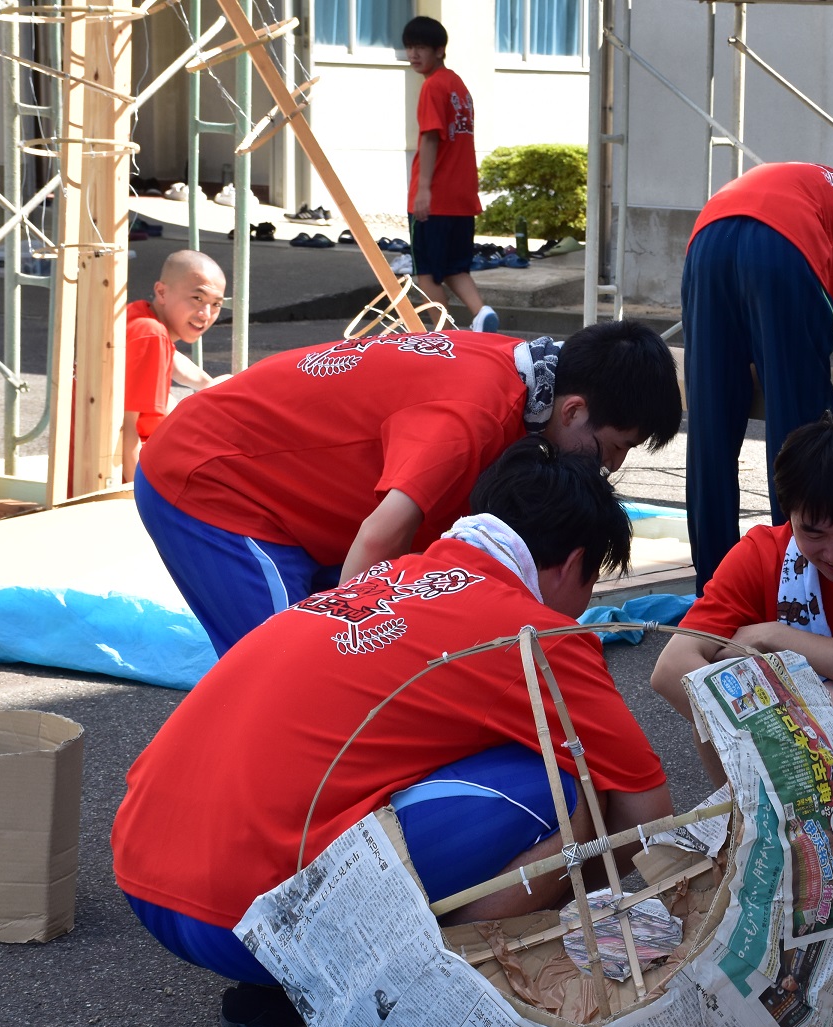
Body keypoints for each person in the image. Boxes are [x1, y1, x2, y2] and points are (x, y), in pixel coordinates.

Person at [111, 439, 672, 1027]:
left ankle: (286, 997)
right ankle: (411, 1019)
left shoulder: (386, 575)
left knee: (362, 762)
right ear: (574, 563)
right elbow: (645, 815)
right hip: (245, 916)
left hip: (147, 876)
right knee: (569, 789)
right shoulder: (533, 631)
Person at [134, 320, 681, 656]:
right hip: (214, 477)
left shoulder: (530, 374)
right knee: (287, 664)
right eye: (613, 448)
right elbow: (380, 537)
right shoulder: (475, 416)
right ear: (575, 409)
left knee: (379, 631)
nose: (609, 467)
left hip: (291, 491)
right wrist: (351, 657)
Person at [681, 161, 833, 588]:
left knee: (710, 430)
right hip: (785, 242)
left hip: (709, 233)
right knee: (802, 440)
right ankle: (798, 590)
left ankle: (714, 592)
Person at [650, 414, 833, 784]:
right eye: (813, 533)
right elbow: (671, 670)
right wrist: (796, 735)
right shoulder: (762, 555)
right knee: (713, 676)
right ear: (789, 515)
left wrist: (775, 638)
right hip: (783, 771)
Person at [401, 16, 497, 333]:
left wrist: (423, 190)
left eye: (421, 48)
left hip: (436, 197)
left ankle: (444, 334)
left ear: (439, 50)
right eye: (409, 47)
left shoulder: (433, 86)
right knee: (456, 268)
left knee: (427, 274)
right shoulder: (458, 86)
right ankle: (482, 313)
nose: (413, 54)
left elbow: (430, 137)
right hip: (462, 196)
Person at [121, 250, 229, 482]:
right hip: (136, 468)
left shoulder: (140, 315)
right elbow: (124, 427)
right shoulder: (151, 334)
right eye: (197, 299)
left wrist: (210, 384)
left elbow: (172, 358)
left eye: (216, 304)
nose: (205, 314)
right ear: (161, 292)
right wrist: (133, 495)